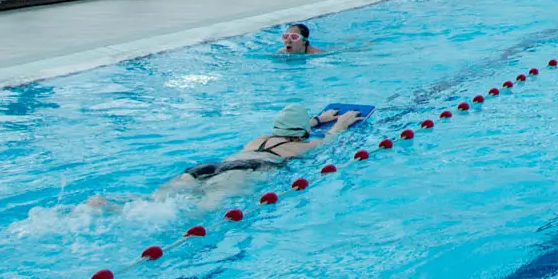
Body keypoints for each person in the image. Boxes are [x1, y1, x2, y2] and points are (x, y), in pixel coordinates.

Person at [91, 104, 359, 208]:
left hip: (208, 167)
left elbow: (294, 130)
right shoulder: (298, 147)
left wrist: (317, 119)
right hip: (243, 172)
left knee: (156, 200)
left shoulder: (260, 138)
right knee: (199, 212)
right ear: (302, 133)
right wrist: (339, 123)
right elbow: (327, 141)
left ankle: (109, 205)